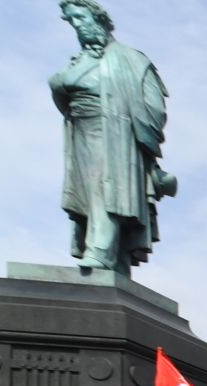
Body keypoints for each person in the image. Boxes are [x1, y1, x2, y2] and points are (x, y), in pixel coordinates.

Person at [48, 0, 174, 274]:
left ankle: (101, 251)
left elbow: (153, 106)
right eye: (72, 22)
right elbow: (61, 88)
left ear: (98, 19)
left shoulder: (132, 59)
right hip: (82, 132)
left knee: (107, 191)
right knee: (89, 194)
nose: (77, 26)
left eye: (80, 18)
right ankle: (114, 261)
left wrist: (143, 142)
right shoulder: (80, 60)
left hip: (116, 133)